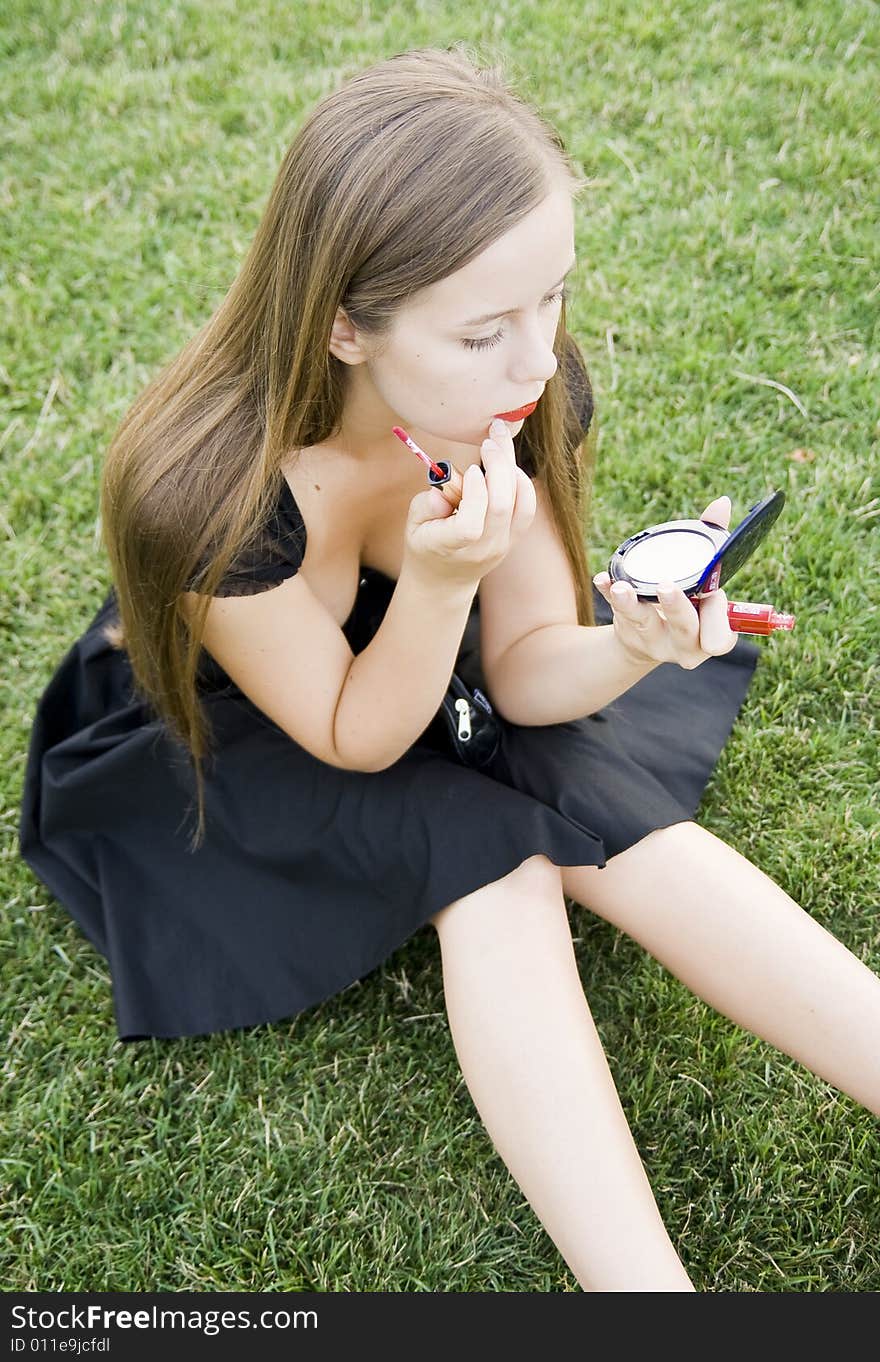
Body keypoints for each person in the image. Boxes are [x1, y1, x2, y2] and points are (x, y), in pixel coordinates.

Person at [18, 45, 879, 1293]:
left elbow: (524, 671)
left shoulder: (519, 401)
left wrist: (627, 644)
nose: (536, 362)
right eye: (483, 330)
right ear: (343, 328)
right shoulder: (209, 502)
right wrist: (432, 588)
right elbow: (356, 734)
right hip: (263, 724)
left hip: (441, 640)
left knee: (600, 801)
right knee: (495, 864)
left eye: (552, 300)